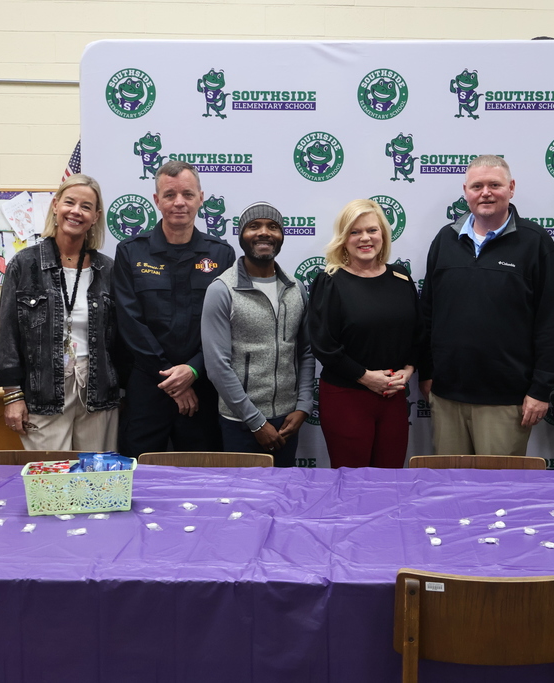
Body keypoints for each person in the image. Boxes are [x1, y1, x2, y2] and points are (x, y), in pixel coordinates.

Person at [418, 155, 554, 456]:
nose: (485, 192)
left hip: (506, 401)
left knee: (500, 495)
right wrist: (427, 373)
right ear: (465, 191)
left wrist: (540, 389)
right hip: (447, 397)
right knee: (449, 493)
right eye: (477, 186)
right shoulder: (445, 240)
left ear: (511, 188)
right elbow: (428, 314)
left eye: (494, 185)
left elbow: (551, 322)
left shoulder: (535, 243)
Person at [112, 160, 235, 458]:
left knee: (202, 477)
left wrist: (193, 369)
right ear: (156, 200)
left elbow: (228, 326)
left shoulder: (221, 254)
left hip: (203, 385)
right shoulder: (130, 252)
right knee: (140, 475)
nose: (179, 202)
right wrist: (174, 382)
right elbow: (130, 323)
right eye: (170, 195)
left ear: (201, 198)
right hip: (147, 386)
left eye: (188, 194)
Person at [0, 174, 120, 451]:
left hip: (97, 392)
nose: (76, 211)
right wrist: (13, 396)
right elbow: (8, 335)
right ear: (55, 205)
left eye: (86, 207)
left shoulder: (108, 270)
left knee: (95, 481)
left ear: (96, 216)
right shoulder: (25, 265)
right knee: (51, 483)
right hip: (44, 390)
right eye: (70, 202)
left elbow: (119, 340)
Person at [309, 199, 423, 468]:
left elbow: (418, 332)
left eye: (372, 230)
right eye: (355, 231)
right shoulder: (330, 281)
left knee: (390, 477)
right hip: (346, 398)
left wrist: (409, 369)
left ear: (383, 233)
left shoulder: (401, 277)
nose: (365, 238)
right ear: (343, 238)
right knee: (352, 482)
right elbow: (324, 345)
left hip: (393, 397)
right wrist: (365, 377)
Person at [201, 202, 313, 466]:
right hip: (240, 422)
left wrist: (303, 406)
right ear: (241, 235)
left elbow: (305, 352)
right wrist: (256, 422)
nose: (264, 232)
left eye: (273, 227)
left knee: (284, 497)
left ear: (282, 236)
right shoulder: (222, 290)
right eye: (254, 226)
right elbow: (217, 367)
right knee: (244, 499)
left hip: (288, 421)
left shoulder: (296, 288)